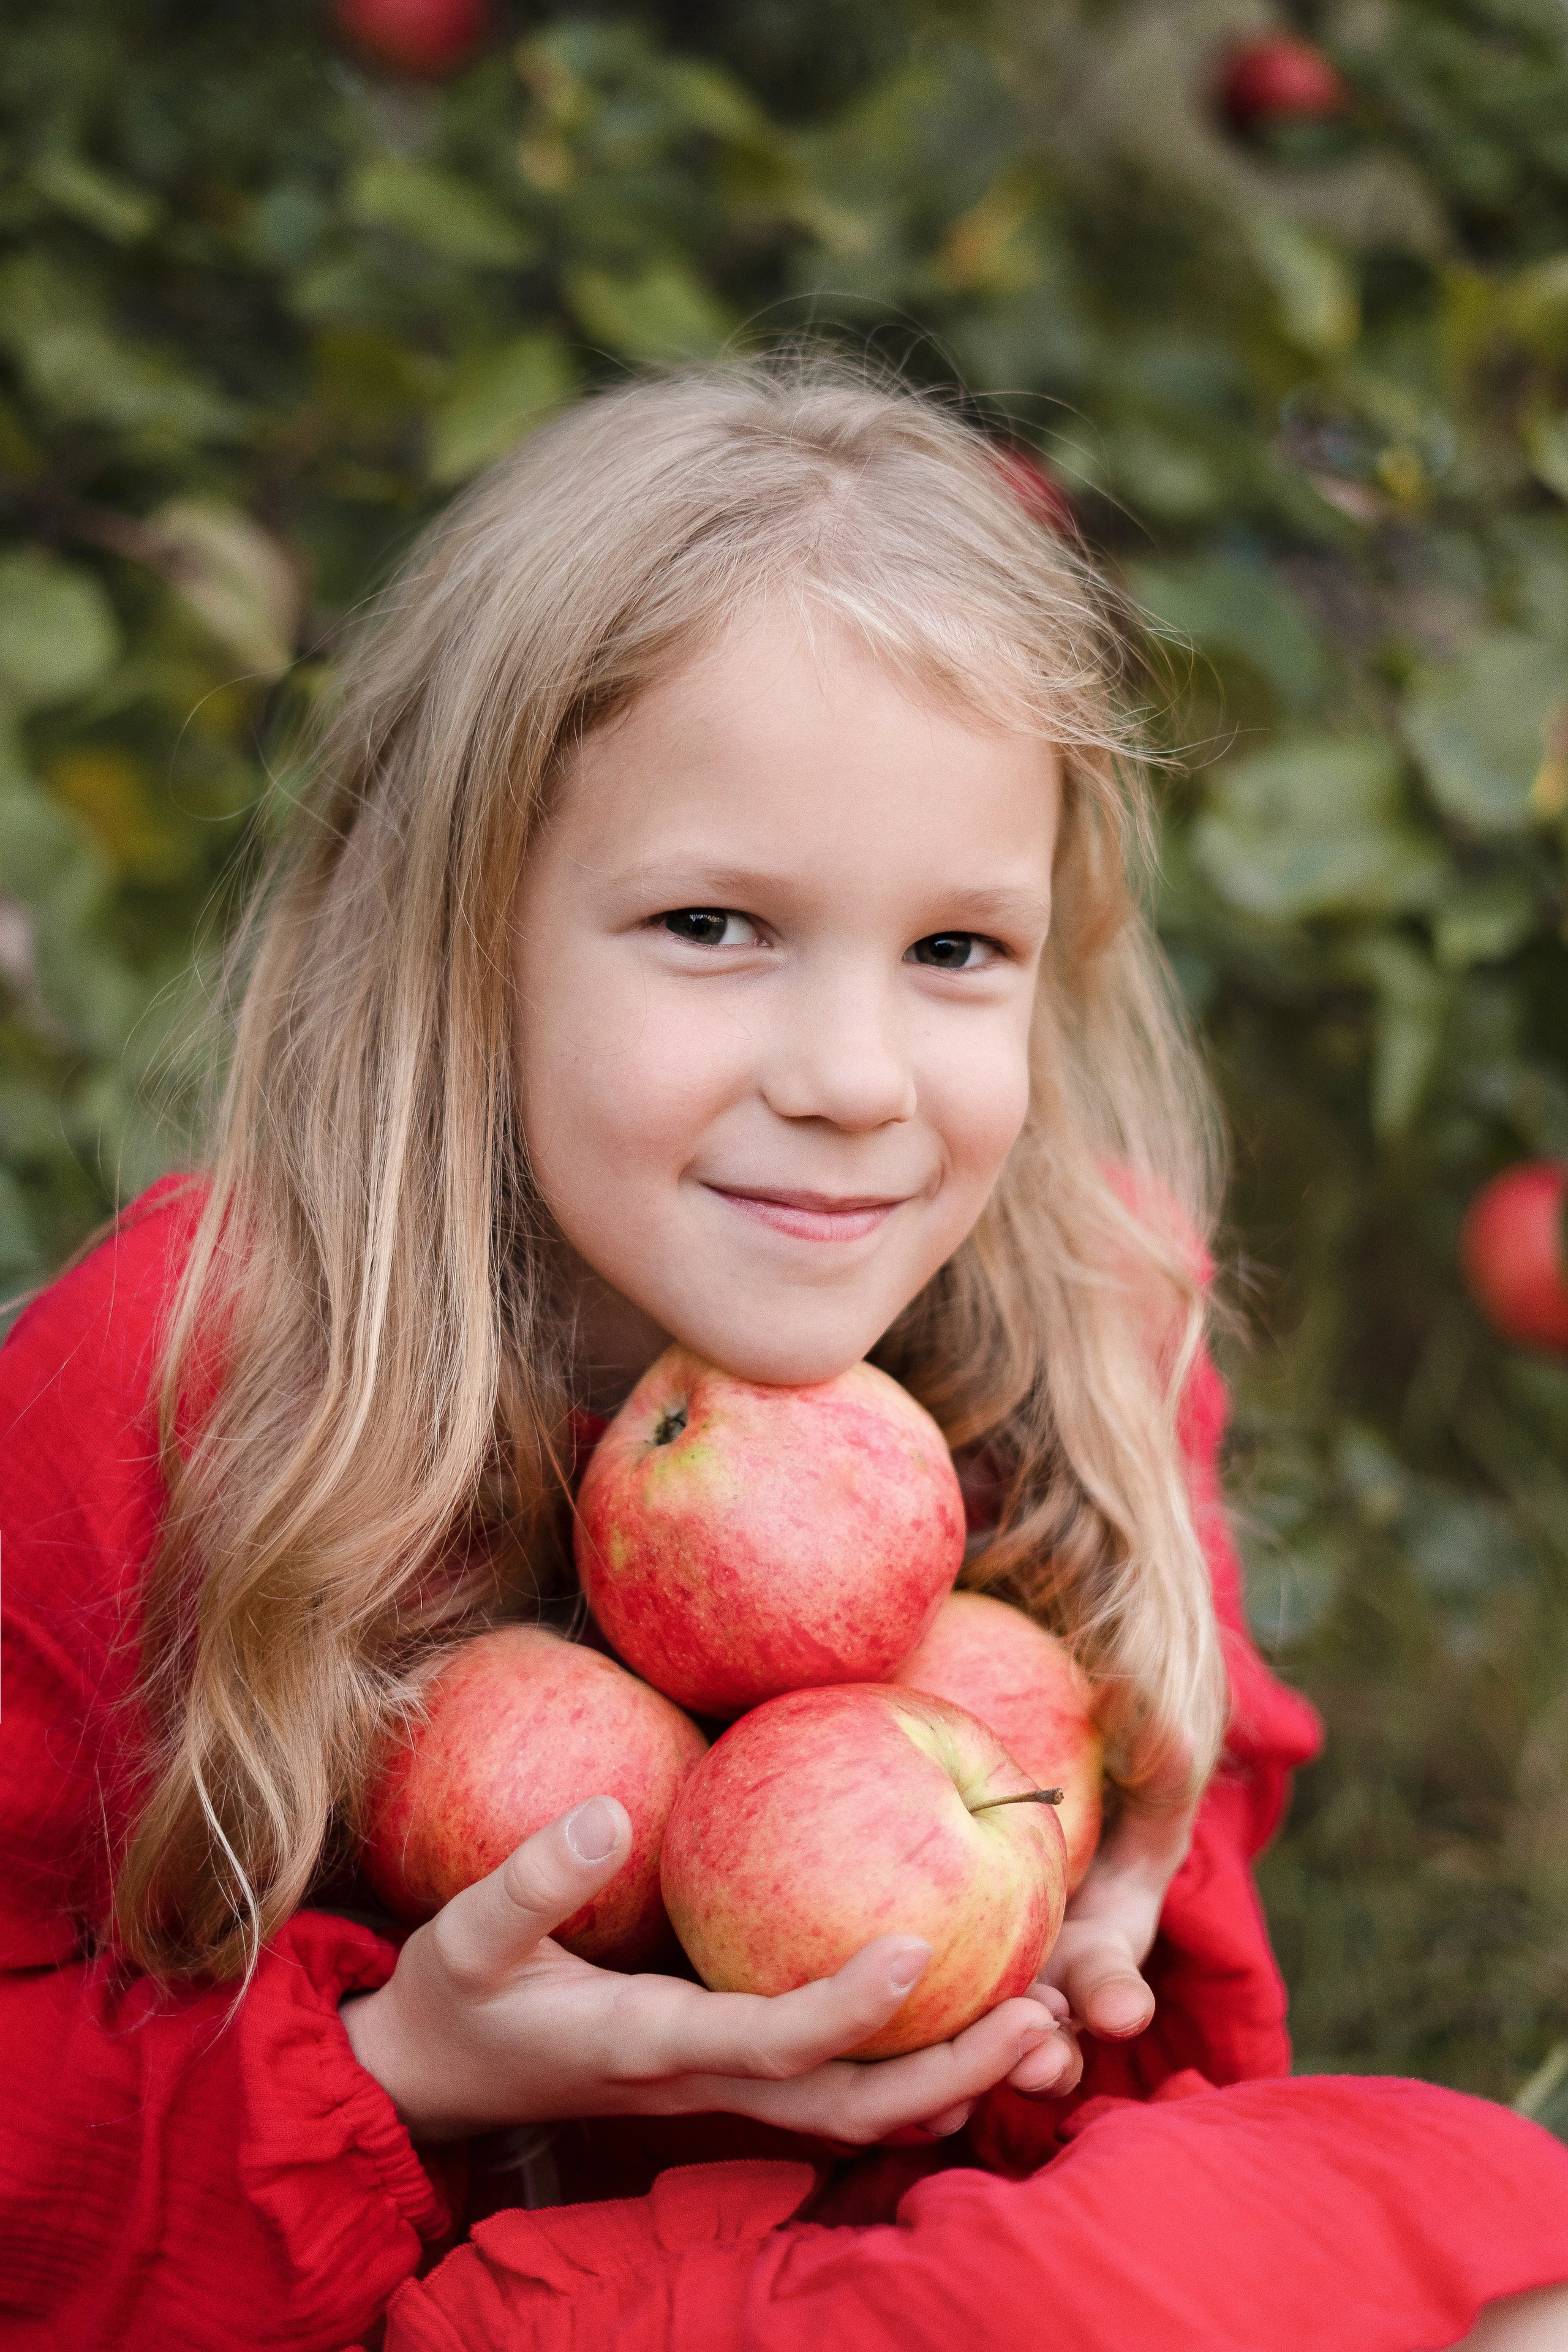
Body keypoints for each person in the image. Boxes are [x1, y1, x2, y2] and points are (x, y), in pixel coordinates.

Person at [2, 360, 1565, 2352]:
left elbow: (1160, 2048)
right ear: (465, 928)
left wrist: (1122, 1858)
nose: (850, 1081)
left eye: (953, 953)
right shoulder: (197, 1382)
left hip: (896, 2265)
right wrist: (411, 2066)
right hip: (420, 2306)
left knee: (1508, 2264)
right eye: (716, 924)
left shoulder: (1079, 1311)